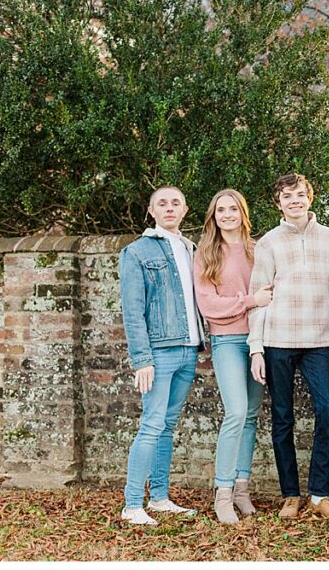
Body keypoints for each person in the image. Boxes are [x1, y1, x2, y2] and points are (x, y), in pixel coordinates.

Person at [247, 174, 329, 521]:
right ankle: (290, 495)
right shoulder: (268, 242)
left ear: (310, 197)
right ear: (278, 203)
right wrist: (256, 348)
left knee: (327, 410)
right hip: (277, 340)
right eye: (287, 196)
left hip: (318, 342)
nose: (295, 200)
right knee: (282, 418)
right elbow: (260, 297)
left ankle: (319, 495)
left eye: (300, 194)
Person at [119, 186, 205, 525]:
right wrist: (142, 359)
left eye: (175, 203)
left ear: (184, 210)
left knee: (167, 426)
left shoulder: (191, 249)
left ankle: (159, 498)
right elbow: (132, 309)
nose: (169, 208)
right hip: (159, 352)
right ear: (151, 211)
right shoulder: (136, 251)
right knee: (151, 425)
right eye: (162, 204)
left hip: (188, 349)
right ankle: (132, 505)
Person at [194, 189, 274, 524]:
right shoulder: (206, 253)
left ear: (243, 212)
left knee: (252, 415)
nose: (227, 215)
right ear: (214, 216)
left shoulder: (260, 249)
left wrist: (255, 303)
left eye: (233, 209)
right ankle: (222, 492)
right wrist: (248, 301)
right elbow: (209, 307)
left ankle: (242, 488)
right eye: (221, 210)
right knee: (236, 412)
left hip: (260, 339)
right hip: (227, 341)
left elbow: (272, 293)